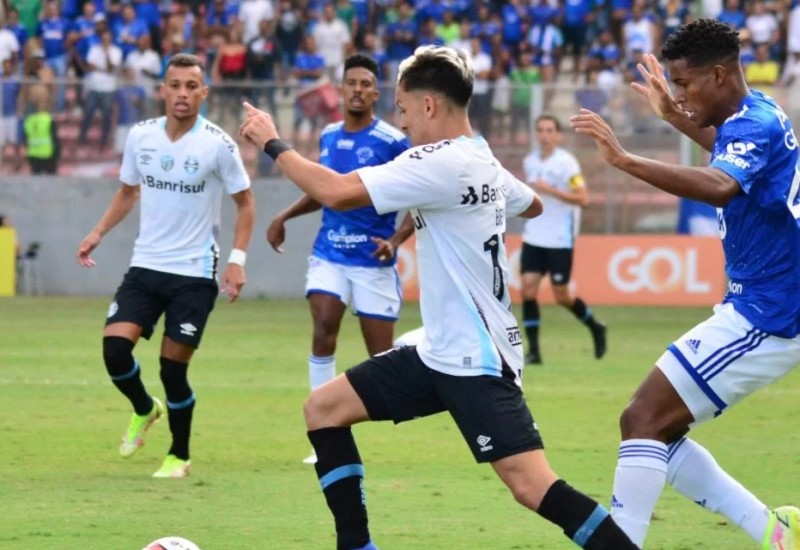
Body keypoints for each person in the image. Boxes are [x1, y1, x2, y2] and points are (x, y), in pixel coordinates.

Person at [241, 45, 639, 550]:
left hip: (476, 361)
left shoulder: (439, 162)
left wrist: (273, 142)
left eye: (404, 110)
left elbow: (337, 191)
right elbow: (534, 205)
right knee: (323, 409)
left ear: (429, 106)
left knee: (531, 486)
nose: (401, 124)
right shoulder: (480, 157)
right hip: (437, 353)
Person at [570, 19, 800, 548]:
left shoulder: (755, 125)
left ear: (718, 75)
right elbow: (726, 149)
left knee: (643, 418)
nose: (678, 92)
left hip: (769, 315)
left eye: (684, 83)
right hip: (760, 305)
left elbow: (721, 184)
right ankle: (773, 531)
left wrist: (625, 160)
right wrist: (677, 117)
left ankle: (622, 542)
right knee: (658, 430)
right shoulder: (757, 112)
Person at [76, 53, 255, 479]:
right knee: (114, 351)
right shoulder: (140, 137)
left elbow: (245, 204)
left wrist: (236, 260)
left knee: (172, 369)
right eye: (175, 85)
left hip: (194, 272)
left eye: (191, 86)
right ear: (162, 90)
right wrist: (97, 232)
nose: (182, 94)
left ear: (203, 93)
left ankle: (179, 455)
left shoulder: (218, 144)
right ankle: (144, 407)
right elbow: (127, 192)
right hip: (146, 265)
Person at [266, 54, 413, 465]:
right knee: (324, 321)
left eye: (367, 84)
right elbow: (322, 189)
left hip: (372, 259)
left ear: (376, 92)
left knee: (384, 362)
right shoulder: (329, 135)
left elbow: (418, 196)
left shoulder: (391, 142)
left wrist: (396, 239)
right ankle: (324, 431)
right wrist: (284, 216)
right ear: (341, 88)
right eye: (352, 83)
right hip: (330, 251)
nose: (359, 90)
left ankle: (423, 353)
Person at [520, 114, 606, 365]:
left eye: (549, 130)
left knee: (562, 296)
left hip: (559, 238)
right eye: (540, 130)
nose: (544, 134)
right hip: (534, 234)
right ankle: (534, 352)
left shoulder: (567, 164)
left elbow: (583, 199)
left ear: (557, 135)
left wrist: (551, 191)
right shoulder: (530, 161)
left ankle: (595, 326)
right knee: (527, 290)